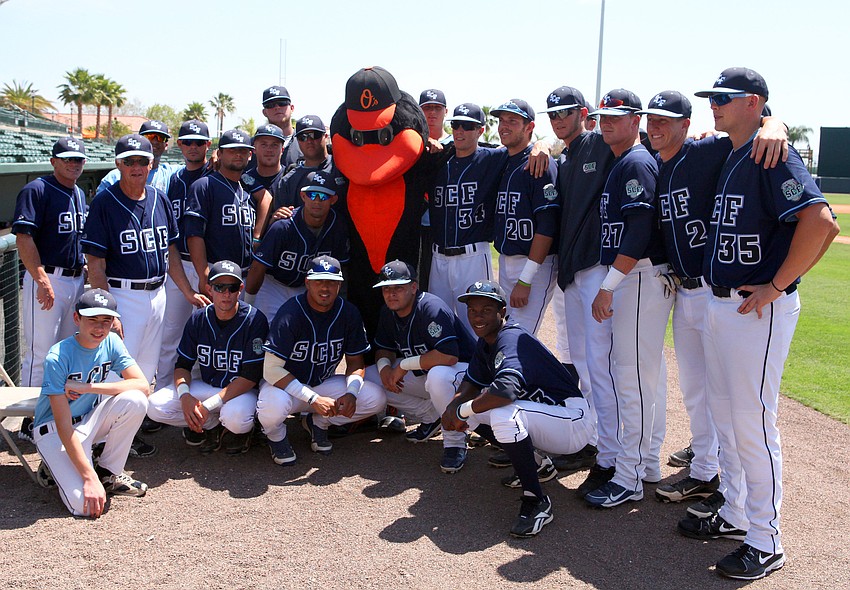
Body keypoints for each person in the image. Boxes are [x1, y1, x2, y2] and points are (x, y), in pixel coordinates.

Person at [677, 67, 837, 581]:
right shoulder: (735, 152)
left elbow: (820, 222)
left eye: (724, 97)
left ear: (754, 102)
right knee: (727, 419)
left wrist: (777, 284)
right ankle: (737, 514)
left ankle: (767, 540)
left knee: (752, 423)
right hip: (724, 306)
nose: (714, 105)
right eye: (712, 97)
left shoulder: (773, 152)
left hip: (757, 310)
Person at [638, 91, 789, 512]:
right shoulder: (653, 163)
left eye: (667, 120)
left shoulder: (705, 150)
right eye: (652, 119)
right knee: (695, 389)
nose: (657, 126)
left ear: (686, 124)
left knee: (721, 396)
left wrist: (777, 125)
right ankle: (705, 469)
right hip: (683, 291)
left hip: (713, 288)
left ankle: (721, 479)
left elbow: (759, 123)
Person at [81, 134, 208, 457]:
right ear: (118, 165)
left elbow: (171, 253)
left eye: (142, 161)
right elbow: (96, 263)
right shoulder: (104, 202)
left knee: (144, 371)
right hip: (123, 294)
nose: (136, 167)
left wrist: (187, 292)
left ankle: (125, 435)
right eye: (129, 161)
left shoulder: (158, 198)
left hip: (157, 293)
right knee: (115, 371)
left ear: (151, 164)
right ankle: (96, 441)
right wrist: (108, 311)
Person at [441, 281, 592, 538]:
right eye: (473, 310)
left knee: (502, 413)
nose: (477, 316)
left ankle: (536, 501)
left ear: (502, 311)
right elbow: (471, 383)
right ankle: (537, 464)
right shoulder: (486, 341)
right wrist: (452, 407)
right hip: (547, 419)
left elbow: (505, 391)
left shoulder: (509, 338)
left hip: (572, 422)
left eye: (486, 310)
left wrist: (461, 410)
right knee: (476, 412)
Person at [583, 89, 673, 508]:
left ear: (635, 120)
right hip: (638, 278)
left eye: (616, 117)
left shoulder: (635, 161)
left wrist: (608, 285)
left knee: (632, 379)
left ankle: (629, 476)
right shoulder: (625, 161)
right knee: (645, 377)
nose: (607, 123)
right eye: (602, 116)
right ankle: (648, 462)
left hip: (637, 277)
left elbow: (637, 230)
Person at [256, 256, 386, 464]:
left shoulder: (348, 312)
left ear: (339, 285)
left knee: (375, 398)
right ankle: (276, 437)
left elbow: (355, 363)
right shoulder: (291, 313)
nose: (325, 288)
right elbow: (271, 371)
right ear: (307, 283)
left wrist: (351, 393)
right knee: (271, 407)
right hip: (285, 387)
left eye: (331, 282)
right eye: (319, 281)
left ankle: (318, 422)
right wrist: (313, 399)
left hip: (321, 383)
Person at [33, 288, 149, 518]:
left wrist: (88, 387)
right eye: (92, 320)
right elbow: (64, 425)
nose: (99, 328)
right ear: (77, 319)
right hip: (54, 431)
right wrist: (87, 478)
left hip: (88, 421)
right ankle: (56, 467)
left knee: (135, 400)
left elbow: (142, 385)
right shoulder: (58, 356)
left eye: (106, 321)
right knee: (84, 506)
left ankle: (108, 474)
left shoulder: (112, 342)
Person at [147, 261, 268, 454]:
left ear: (240, 289)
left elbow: (250, 376)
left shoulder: (255, 320)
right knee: (155, 406)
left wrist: (208, 405)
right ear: (210, 289)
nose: (226, 294)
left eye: (232, 287)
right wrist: (185, 395)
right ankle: (212, 425)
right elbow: (182, 365)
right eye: (220, 287)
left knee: (237, 419)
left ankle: (242, 430)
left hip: (241, 392)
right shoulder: (198, 319)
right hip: (207, 386)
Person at [366, 260, 475, 472]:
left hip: (467, 378)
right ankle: (431, 416)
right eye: (386, 288)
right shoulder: (388, 312)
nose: (391, 294)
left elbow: (449, 355)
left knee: (438, 376)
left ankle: (455, 441)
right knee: (371, 377)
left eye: (398, 287)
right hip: (430, 372)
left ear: (414, 287)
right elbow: (383, 348)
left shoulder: (430, 307)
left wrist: (404, 365)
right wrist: (384, 368)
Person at [13, 137, 88, 443]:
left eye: (78, 159)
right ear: (54, 160)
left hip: (75, 278)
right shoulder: (37, 189)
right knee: (41, 353)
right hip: (47, 278)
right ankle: (30, 423)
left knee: (66, 353)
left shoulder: (79, 193)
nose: (73, 164)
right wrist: (41, 278)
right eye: (67, 158)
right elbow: (23, 237)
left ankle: (56, 417)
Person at [427, 103, 501, 334]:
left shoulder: (492, 158)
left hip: (472, 256)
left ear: (480, 130)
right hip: (438, 257)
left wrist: (541, 145)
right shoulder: (439, 161)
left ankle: (482, 370)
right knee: (437, 323)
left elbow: (523, 149)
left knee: (478, 325)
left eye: (467, 126)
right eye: (456, 125)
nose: (459, 131)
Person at [490, 99, 560, 335]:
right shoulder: (502, 160)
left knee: (520, 337)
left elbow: (548, 225)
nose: (504, 126)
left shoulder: (540, 163)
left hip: (534, 264)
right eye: (501, 120)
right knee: (507, 333)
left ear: (529, 127)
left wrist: (526, 279)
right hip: (507, 260)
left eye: (513, 120)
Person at [246, 169, 349, 321]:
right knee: (262, 326)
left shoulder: (338, 226)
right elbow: (257, 268)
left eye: (323, 196)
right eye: (312, 195)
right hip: (274, 285)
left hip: (307, 287)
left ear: (333, 200)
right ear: (303, 196)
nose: (317, 201)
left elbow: (342, 269)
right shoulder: (283, 226)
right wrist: (248, 304)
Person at [156, 119, 213, 389]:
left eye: (198, 142)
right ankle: (164, 391)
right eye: (187, 141)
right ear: (178, 144)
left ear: (208, 145)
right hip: (178, 265)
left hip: (207, 266)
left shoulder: (216, 175)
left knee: (207, 335)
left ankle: (198, 395)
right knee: (170, 335)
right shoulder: (174, 180)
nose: (192, 147)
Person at [184, 129, 272, 297]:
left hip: (245, 275)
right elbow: (194, 236)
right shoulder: (204, 185)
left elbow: (266, 198)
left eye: (243, 150)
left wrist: (257, 236)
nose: (238, 155)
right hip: (217, 274)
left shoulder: (247, 183)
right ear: (220, 153)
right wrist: (204, 277)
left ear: (250, 155)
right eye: (232, 150)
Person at [270, 115, 339, 214]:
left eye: (314, 135)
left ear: (326, 136)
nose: (309, 141)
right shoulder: (288, 181)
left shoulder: (343, 168)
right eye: (303, 137)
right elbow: (280, 221)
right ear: (297, 141)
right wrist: (277, 216)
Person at [97, 120, 182, 194]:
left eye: (161, 138)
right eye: (149, 136)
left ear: (166, 144)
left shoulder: (171, 173)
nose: (154, 141)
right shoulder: (113, 177)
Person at [240, 124, 286, 216]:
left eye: (274, 145)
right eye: (264, 144)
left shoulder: (290, 178)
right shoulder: (243, 181)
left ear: (282, 150)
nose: (269, 150)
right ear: (254, 149)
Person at [261, 85, 302, 169]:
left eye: (282, 103)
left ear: (292, 108)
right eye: (271, 105)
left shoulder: (305, 142)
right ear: (264, 112)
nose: (277, 107)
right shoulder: (254, 145)